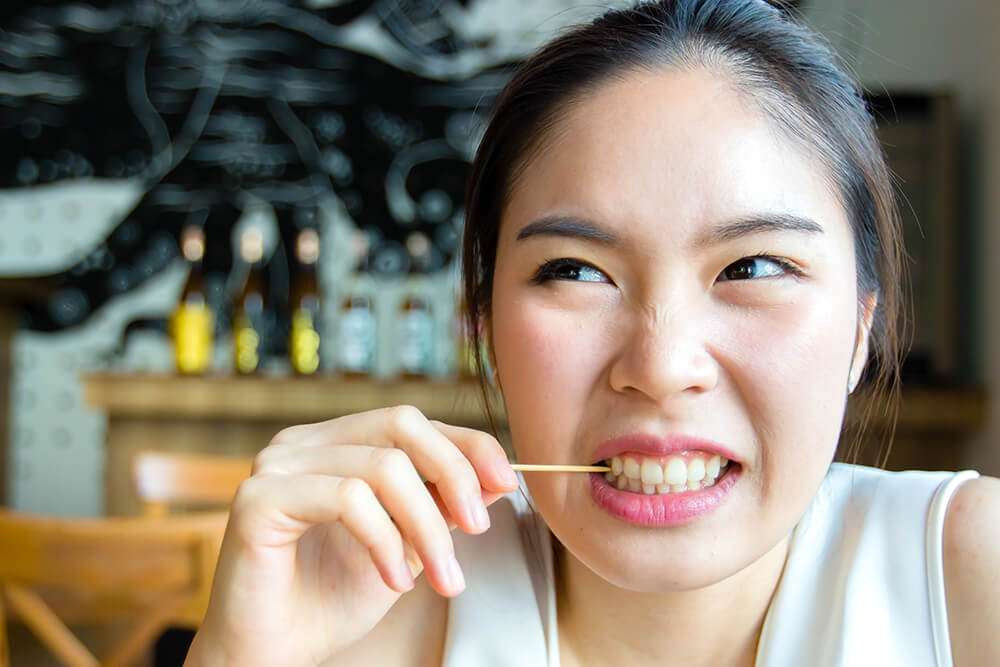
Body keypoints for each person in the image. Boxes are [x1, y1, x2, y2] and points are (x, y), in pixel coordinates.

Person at [183, 1, 1000, 665]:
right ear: (485, 325)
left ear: (862, 328)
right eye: (576, 271)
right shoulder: (373, 608)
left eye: (751, 268)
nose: (660, 366)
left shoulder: (970, 572)